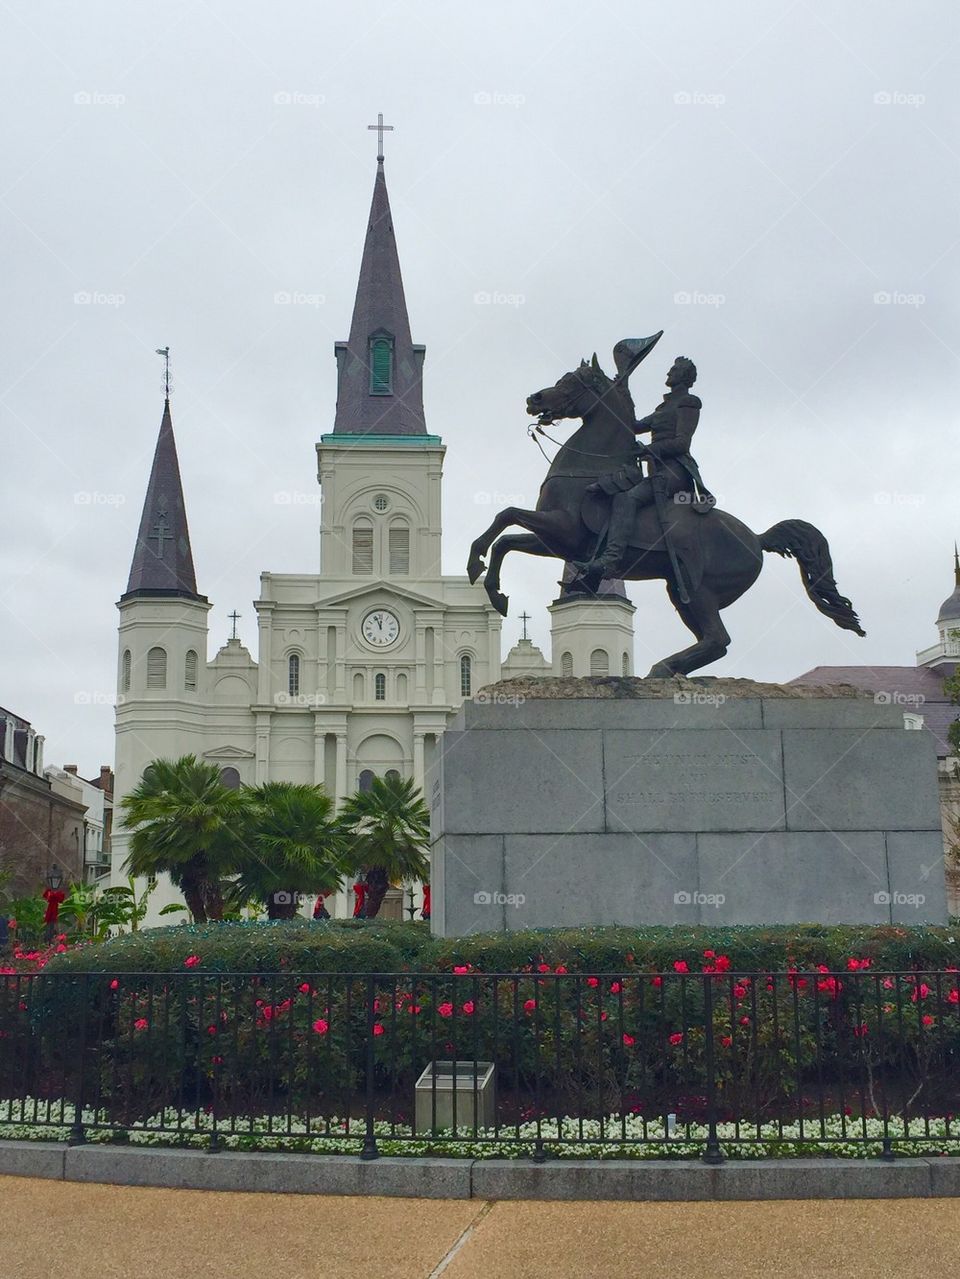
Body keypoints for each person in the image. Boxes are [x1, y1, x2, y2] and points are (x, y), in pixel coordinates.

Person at [577, 356, 708, 579]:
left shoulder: (688, 402)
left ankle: (611, 559)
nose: (668, 374)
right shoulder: (663, 407)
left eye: (673, 370)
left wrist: (649, 449)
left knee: (626, 498)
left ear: (684, 377)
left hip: (674, 472)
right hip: (655, 470)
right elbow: (633, 426)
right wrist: (622, 391)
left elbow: (681, 443)